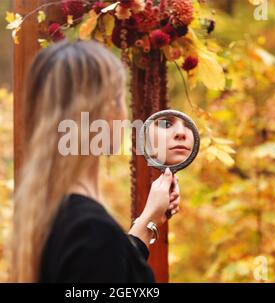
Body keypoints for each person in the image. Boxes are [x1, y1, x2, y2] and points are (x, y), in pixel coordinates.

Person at [10, 40, 181, 283]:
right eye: (122, 99)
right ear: (106, 111)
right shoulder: (92, 234)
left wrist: (149, 219)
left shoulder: (48, 212)